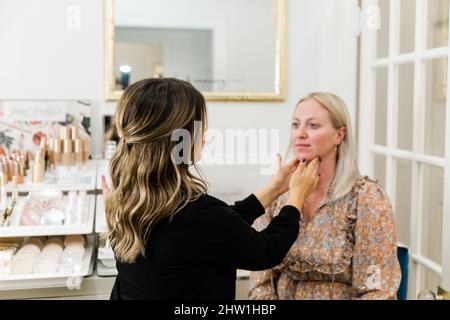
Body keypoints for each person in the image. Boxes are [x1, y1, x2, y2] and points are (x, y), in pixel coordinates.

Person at [105, 78, 320, 300]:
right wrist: (296, 196)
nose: (205, 134)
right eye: (199, 126)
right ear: (179, 137)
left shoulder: (129, 199)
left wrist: (274, 188)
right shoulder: (194, 213)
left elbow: (217, 227)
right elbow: (265, 251)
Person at [249, 92, 402, 300]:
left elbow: (378, 291)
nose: (300, 133)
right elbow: (260, 281)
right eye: (295, 125)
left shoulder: (366, 199)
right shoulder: (277, 195)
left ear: (339, 135)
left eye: (313, 125)